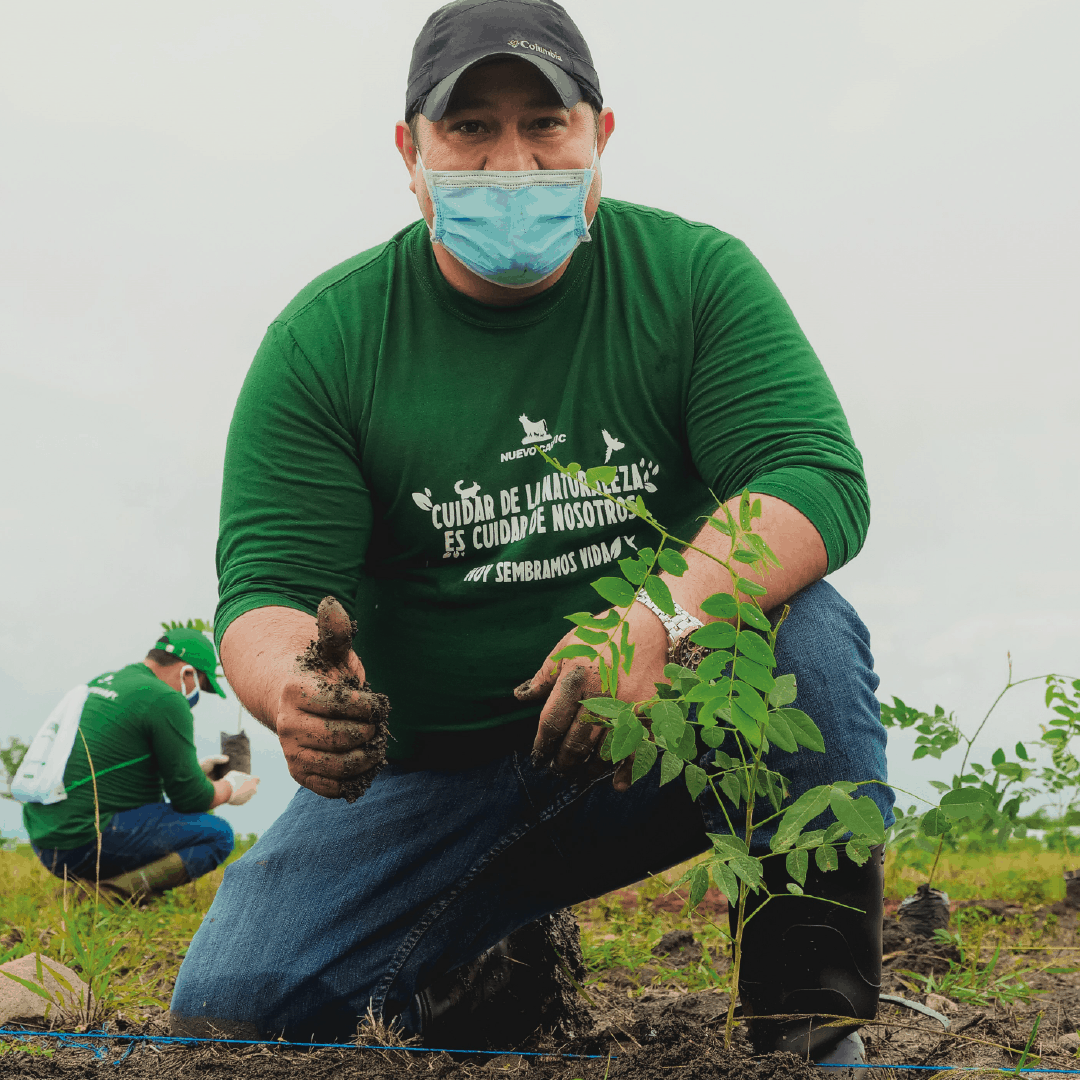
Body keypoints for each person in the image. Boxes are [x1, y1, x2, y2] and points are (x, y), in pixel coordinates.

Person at [171, 0, 894, 1065]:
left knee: (803, 632)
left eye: (544, 123)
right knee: (238, 1010)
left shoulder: (692, 279)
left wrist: (656, 619)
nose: (512, 162)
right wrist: (292, 691)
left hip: (655, 737)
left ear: (601, 133)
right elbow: (270, 589)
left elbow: (814, 477)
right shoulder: (326, 344)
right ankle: (480, 961)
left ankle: (807, 1024)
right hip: (433, 772)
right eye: (469, 129)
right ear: (409, 151)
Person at [20, 628, 259, 899]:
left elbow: (118, 770)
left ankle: (96, 883)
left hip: (47, 840)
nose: (195, 695)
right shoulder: (166, 699)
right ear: (187, 673)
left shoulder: (106, 681)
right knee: (217, 835)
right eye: (201, 687)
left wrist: (195, 771)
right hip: (83, 842)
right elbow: (191, 800)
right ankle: (103, 896)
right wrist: (230, 788)